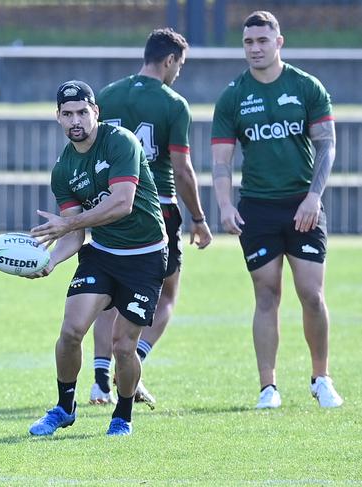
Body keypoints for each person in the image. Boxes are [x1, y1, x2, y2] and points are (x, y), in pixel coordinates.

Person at [211, 11, 342, 409]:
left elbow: (327, 144)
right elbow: (221, 160)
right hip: (258, 209)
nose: (255, 48)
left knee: (312, 295)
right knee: (266, 295)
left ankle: (321, 378)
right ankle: (268, 387)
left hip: (303, 204)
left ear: (279, 42)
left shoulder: (306, 87)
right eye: (248, 42)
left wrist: (314, 197)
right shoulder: (233, 95)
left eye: (262, 41)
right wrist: (225, 204)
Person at [27, 80, 168, 436]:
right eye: (68, 113)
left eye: (82, 112)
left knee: (123, 345)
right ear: (57, 117)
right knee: (71, 332)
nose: (76, 120)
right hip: (102, 253)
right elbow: (73, 235)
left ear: (95, 113)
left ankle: (122, 415)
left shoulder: (120, 141)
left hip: (145, 255)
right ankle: (64, 407)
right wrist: (50, 262)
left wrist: (69, 223)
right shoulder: (63, 169)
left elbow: (122, 203)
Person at [88, 28, 212, 408]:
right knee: (166, 293)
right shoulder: (174, 103)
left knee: (108, 294)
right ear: (170, 60)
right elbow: (182, 166)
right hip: (158, 205)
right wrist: (199, 217)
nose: (179, 73)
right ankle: (134, 363)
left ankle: (98, 381)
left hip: (110, 203)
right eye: (180, 66)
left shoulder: (107, 95)